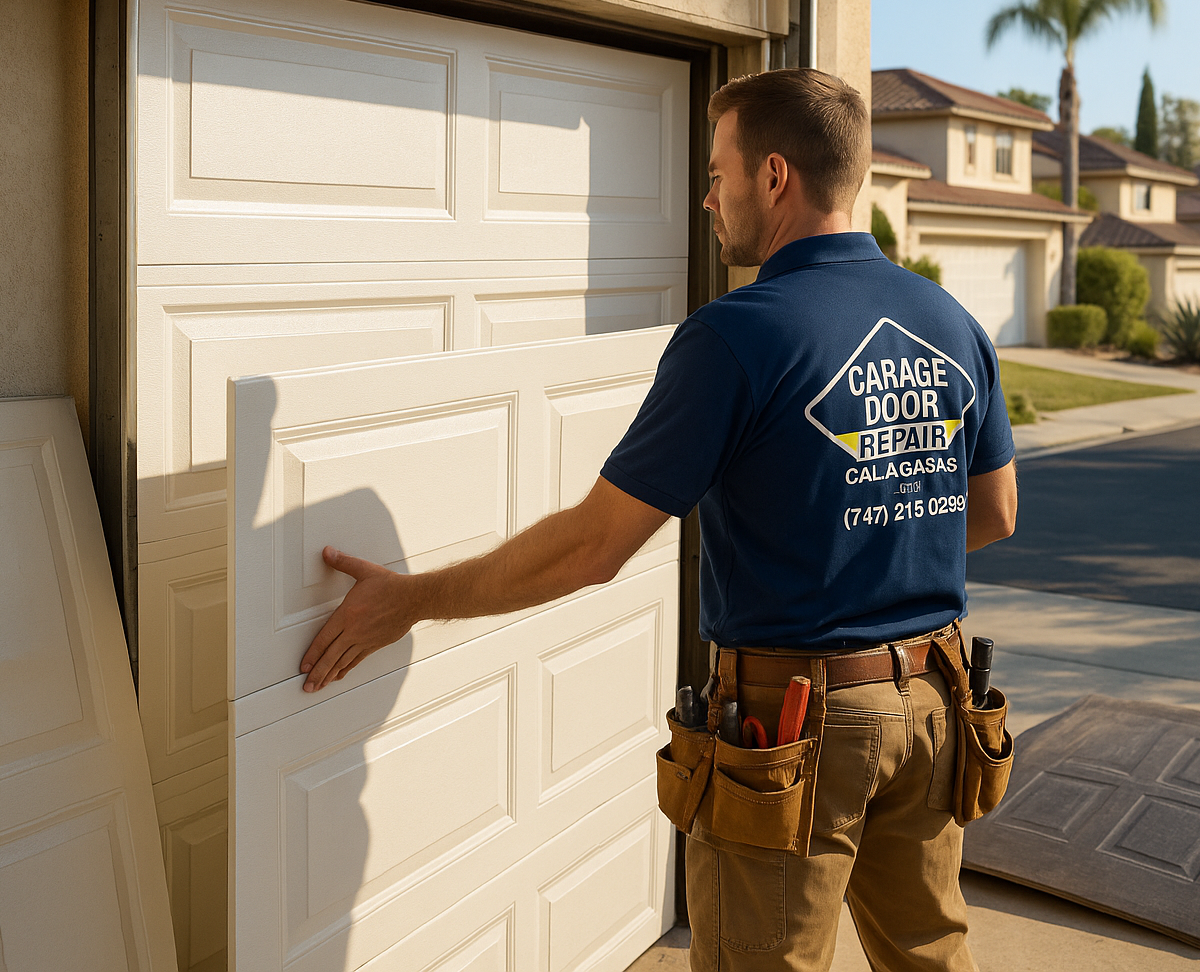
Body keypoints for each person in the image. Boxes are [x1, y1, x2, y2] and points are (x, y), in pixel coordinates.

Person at [298, 67, 1017, 972]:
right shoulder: (950, 321)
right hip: (935, 704)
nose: (707, 197)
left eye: (719, 172)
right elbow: (993, 513)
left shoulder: (739, 335)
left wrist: (410, 601)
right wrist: (869, 531)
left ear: (775, 176)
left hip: (793, 725)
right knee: (930, 955)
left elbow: (595, 546)